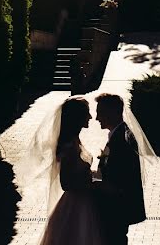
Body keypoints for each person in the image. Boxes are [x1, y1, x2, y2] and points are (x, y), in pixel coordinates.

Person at [36, 97, 105, 245]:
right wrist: (92, 184)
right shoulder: (69, 146)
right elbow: (65, 183)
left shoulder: (74, 140)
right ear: (77, 117)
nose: (91, 117)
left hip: (82, 202)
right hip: (76, 205)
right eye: (87, 113)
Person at [93, 93, 147, 245]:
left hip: (116, 209)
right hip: (117, 208)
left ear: (114, 112)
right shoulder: (119, 134)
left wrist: (93, 183)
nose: (97, 118)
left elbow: (120, 181)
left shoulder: (121, 141)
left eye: (100, 113)